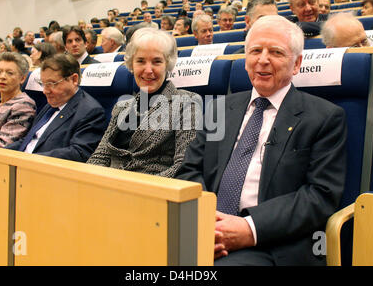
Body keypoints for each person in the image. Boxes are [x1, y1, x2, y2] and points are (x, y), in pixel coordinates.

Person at [177, 15, 347, 266]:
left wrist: (249, 228)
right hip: (206, 231)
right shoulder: (219, 109)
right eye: (255, 50)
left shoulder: (325, 118)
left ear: (297, 63)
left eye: (276, 52)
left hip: (272, 242)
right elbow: (189, 170)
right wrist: (206, 221)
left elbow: (320, 196)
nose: (263, 60)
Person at [87, 28, 200, 178]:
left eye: (157, 61)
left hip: (152, 192)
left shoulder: (186, 103)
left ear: (168, 64)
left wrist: (136, 190)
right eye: (140, 61)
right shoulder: (122, 107)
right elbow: (100, 156)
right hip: (108, 188)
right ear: (131, 65)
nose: (148, 70)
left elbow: (182, 165)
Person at [6, 54, 107, 162]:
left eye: (52, 84)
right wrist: (0, 152)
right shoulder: (51, 106)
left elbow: (79, 153)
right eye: (43, 84)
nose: (45, 91)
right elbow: (29, 141)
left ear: (74, 79)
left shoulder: (90, 111)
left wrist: (32, 159)